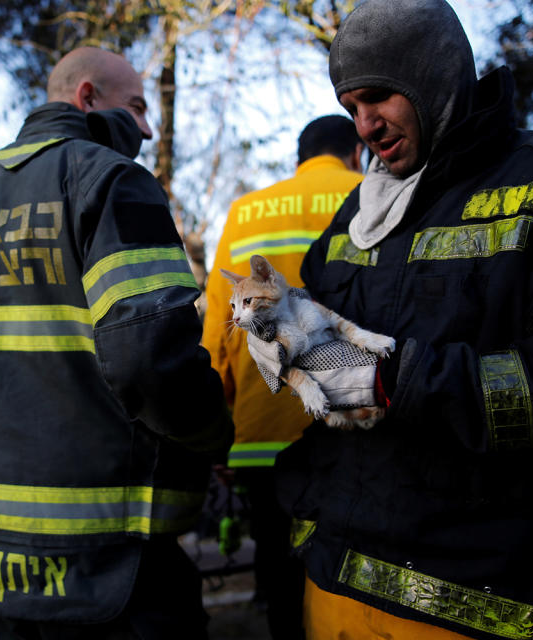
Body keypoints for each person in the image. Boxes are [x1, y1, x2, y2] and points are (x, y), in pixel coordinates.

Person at [245, 1, 533, 638]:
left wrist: (396, 380)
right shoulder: (358, 212)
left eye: (378, 98)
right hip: (336, 580)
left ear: (433, 76)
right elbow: (320, 343)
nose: (364, 126)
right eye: (350, 108)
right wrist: (285, 340)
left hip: (490, 602)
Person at [0, 47, 232, 640]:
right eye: (137, 108)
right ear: (87, 98)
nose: (148, 130)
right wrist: (211, 436)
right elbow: (150, 357)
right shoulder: (112, 180)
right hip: (116, 568)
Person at [201, 115, 363, 639]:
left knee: (281, 579)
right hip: (358, 424)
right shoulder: (376, 191)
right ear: (355, 154)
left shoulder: (247, 212)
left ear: (299, 160)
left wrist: (220, 432)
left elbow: (215, 337)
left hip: (262, 441)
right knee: (358, 578)